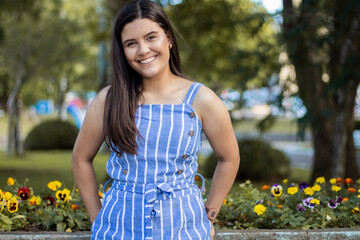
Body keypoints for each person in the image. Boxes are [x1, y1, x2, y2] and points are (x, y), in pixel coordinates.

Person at [72, 0, 239, 239]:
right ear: (122, 50)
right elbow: (80, 158)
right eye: (131, 43)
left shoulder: (202, 99)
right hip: (118, 230)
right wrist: (97, 219)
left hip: (184, 230)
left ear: (168, 38)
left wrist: (210, 213)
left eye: (151, 37)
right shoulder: (108, 100)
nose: (143, 50)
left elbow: (229, 158)